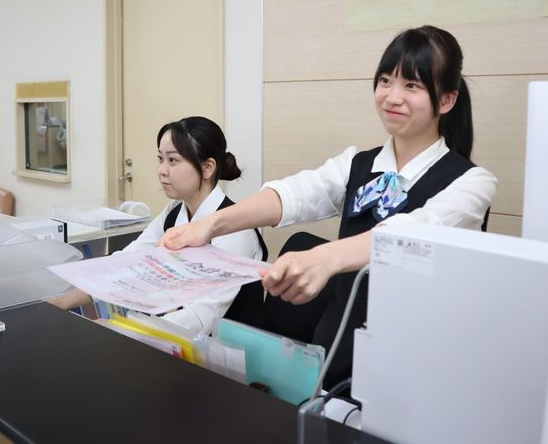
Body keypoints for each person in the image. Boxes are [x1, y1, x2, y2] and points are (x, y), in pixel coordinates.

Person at [160, 26, 497, 387]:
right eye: (385, 81)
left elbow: (411, 232)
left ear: (446, 101)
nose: (392, 97)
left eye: (411, 85)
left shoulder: (473, 183)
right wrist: (210, 225)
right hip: (337, 349)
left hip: (413, 360)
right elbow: (294, 194)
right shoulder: (356, 164)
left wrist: (324, 259)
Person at [51, 116, 266, 335]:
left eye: (173, 160)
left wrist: (119, 328)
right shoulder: (174, 211)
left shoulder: (237, 230)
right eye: (160, 158)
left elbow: (201, 316)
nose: (162, 170)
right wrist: (62, 302)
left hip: (229, 350)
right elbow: (126, 263)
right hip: (182, 340)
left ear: (208, 167)